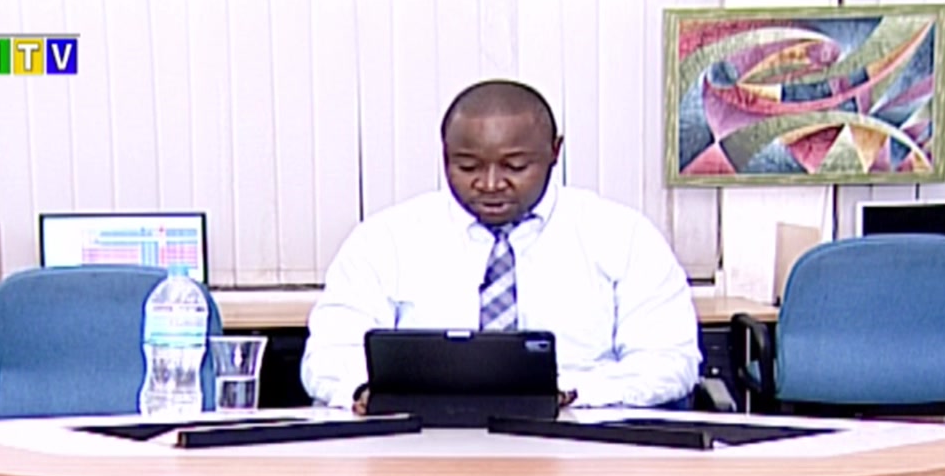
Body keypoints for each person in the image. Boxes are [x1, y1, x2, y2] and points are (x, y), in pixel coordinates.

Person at [300, 79, 701, 413]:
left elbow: (669, 360)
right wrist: (364, 391)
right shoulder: (385, 239)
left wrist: (572, 393)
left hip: (581, 444)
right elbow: (329, 355)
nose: (490, 184)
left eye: (515, 166)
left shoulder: (621, 235)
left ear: (555, 152)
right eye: (467, 166)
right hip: (424, 445)